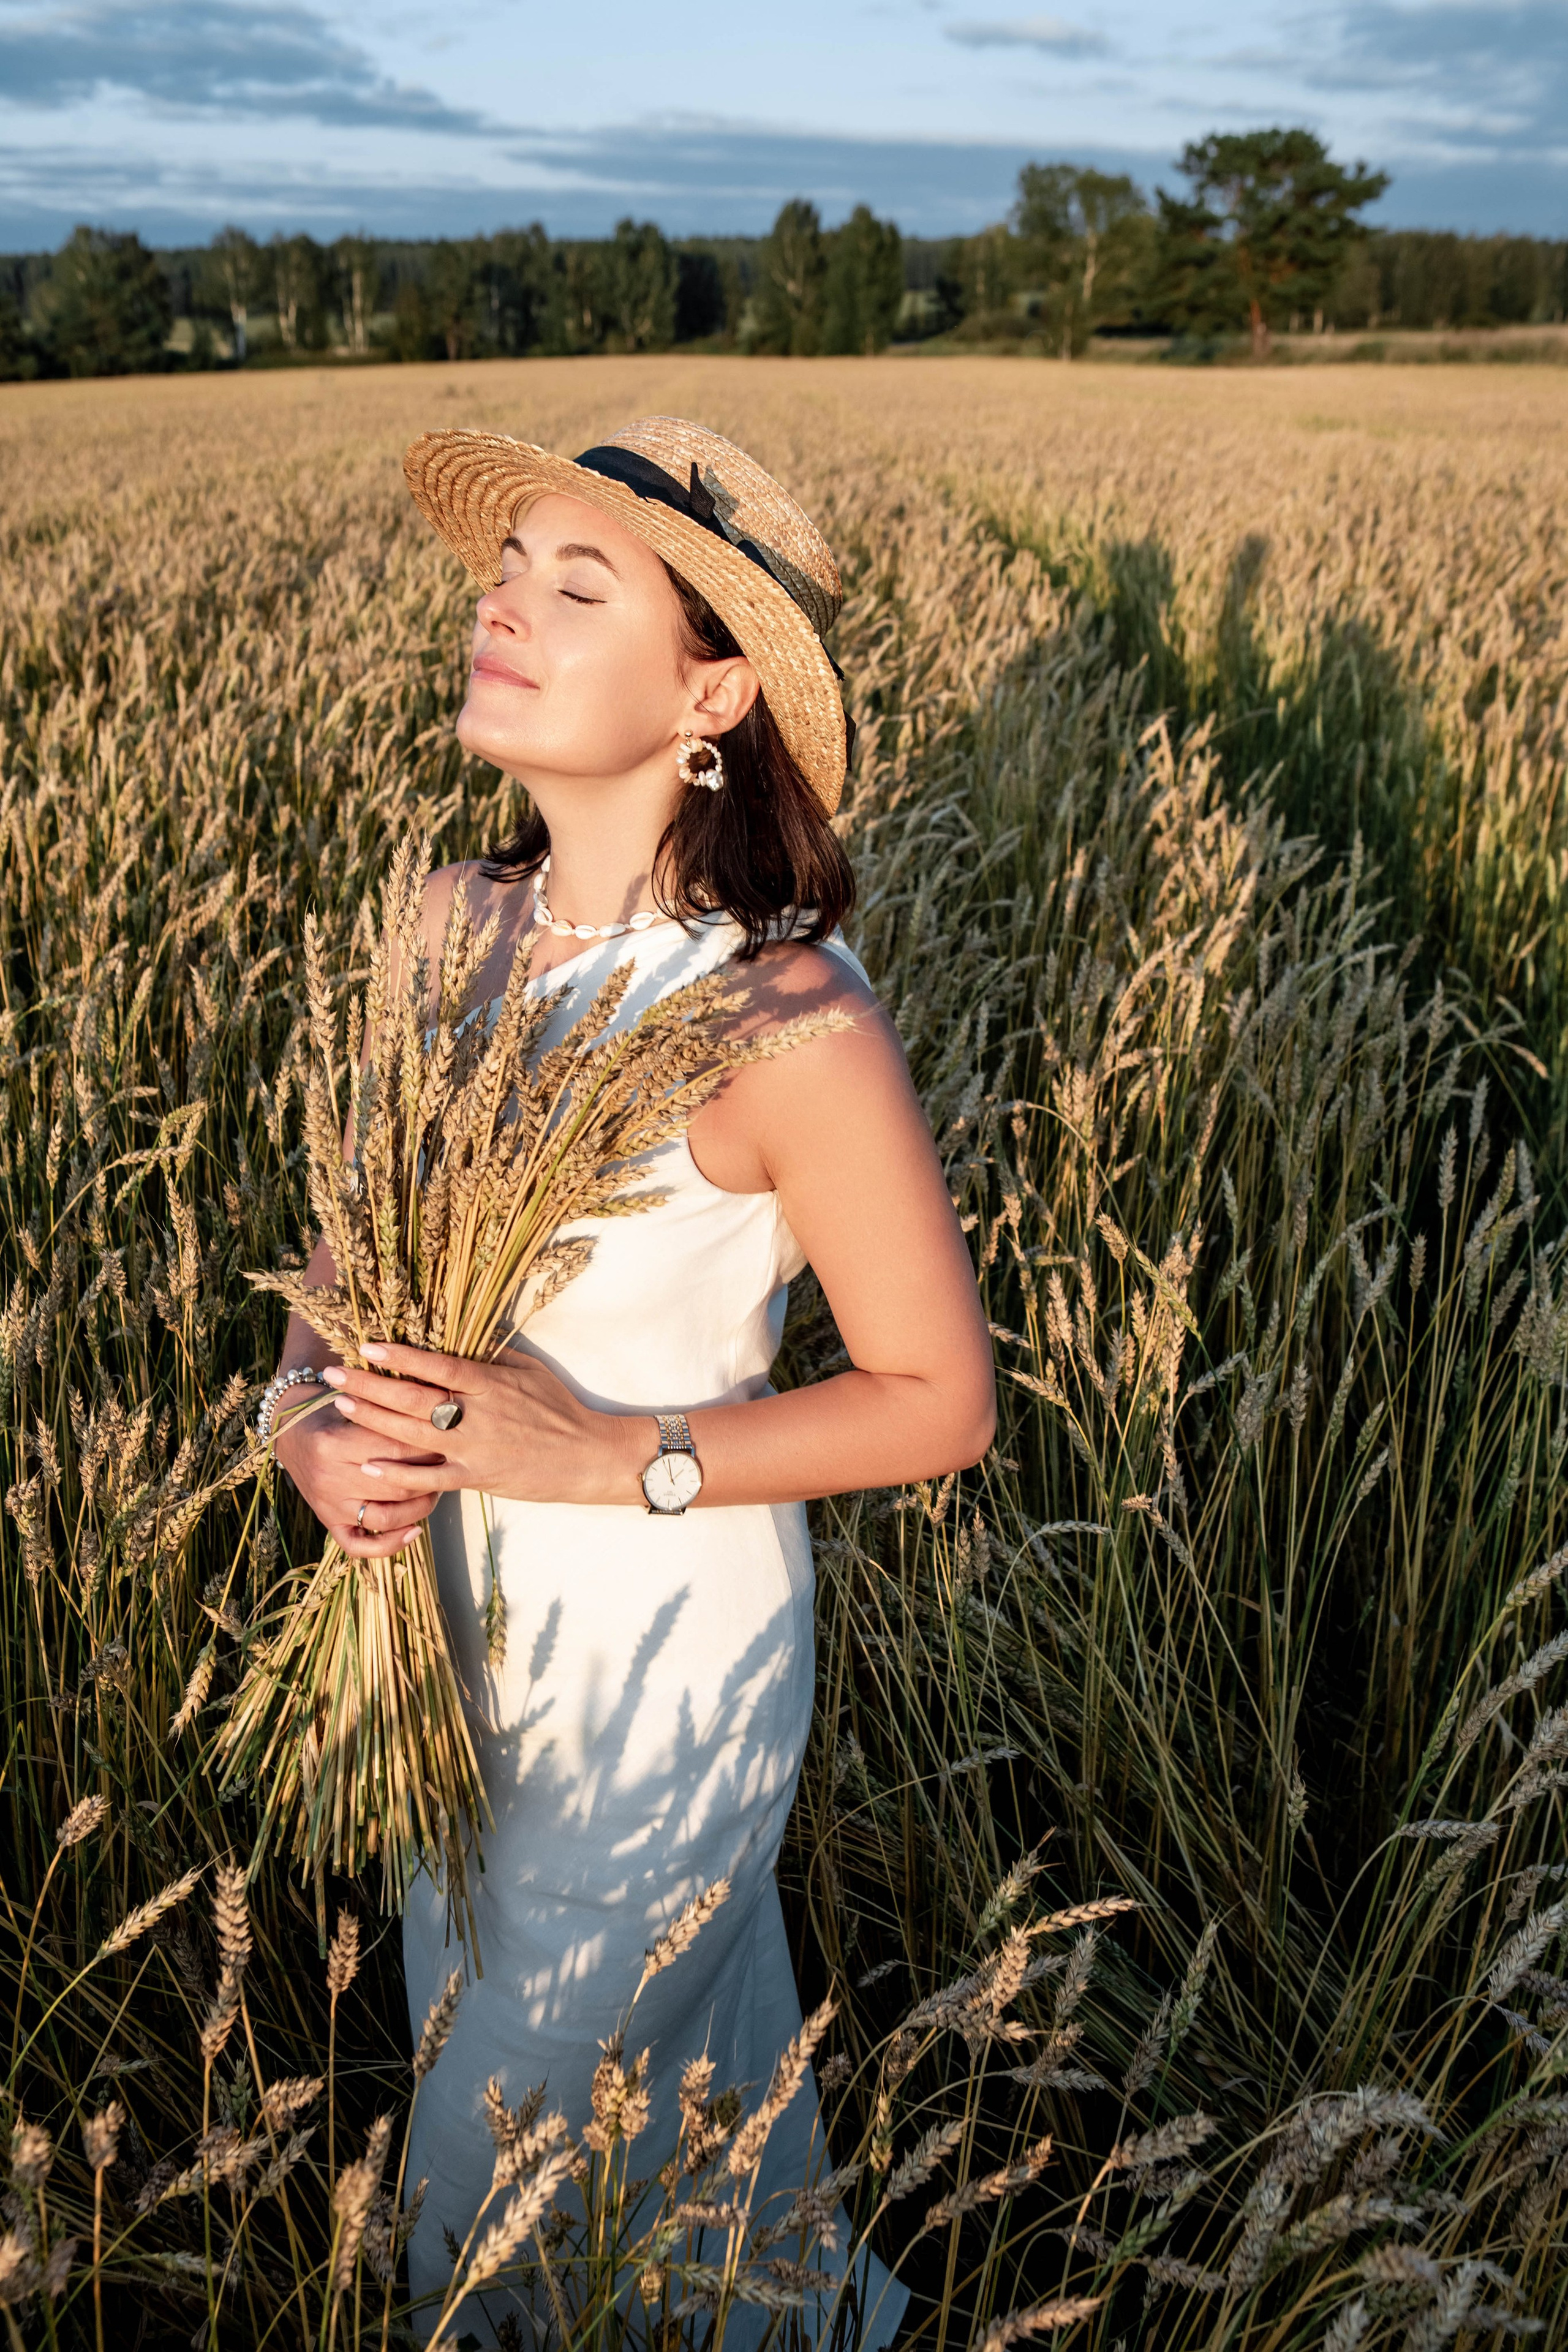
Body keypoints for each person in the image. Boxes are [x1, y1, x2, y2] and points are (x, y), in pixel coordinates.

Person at [268, 415, 996, 2345]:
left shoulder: (782, 1017)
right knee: (679, 2138)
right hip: (435, 1639)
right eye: (509, 565)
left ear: (713, 692)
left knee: (477, 2190)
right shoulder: (442, 930)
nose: (506, 602)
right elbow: (334, 1269)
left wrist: (603, 1453)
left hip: (665, 1676)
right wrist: (302, 1429)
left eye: (577, 583)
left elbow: (939, 1397)